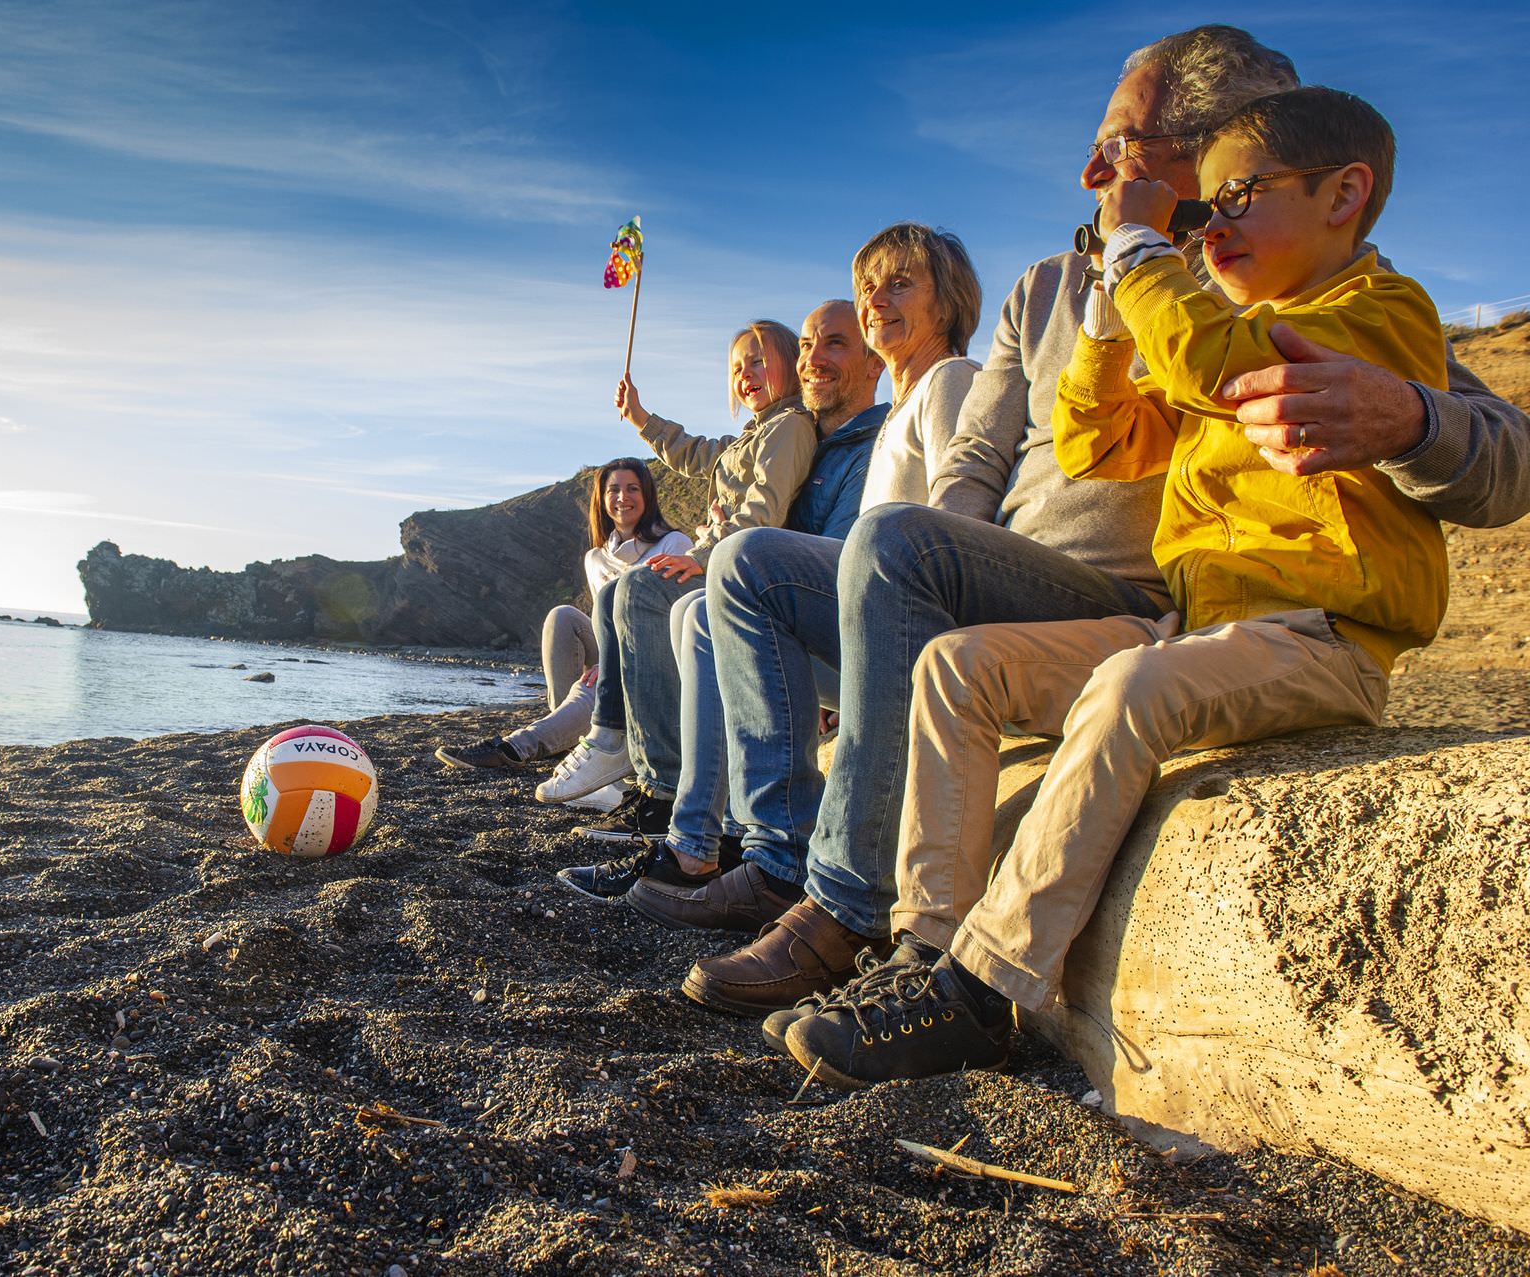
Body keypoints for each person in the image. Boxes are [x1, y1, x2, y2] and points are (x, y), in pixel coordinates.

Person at [665, 24, 1529, 1023]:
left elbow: (1503, 453)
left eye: (1120, 144)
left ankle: (849, 905)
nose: (1089, 171)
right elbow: (995, 458)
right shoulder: (1051, 286)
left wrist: (1410, 416)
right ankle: (817, 880)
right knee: (765, 564)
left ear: (1219, 148)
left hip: (1153, 601)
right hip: (1005, 578)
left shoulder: (1305, 287)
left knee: (896, 547)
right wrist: (944, 577)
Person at [779, 85, 1448, 1086]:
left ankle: (984, 989)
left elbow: (1215, 364)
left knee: (1130, 689)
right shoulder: (1227, 324)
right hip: (1202, 627)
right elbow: (1099, 438)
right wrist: (1104, 298)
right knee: (958, 667)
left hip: (1324, 636)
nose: (1210, 228)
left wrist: (1139, 250)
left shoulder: (1377, 312)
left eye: (1238, 199)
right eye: (1203, 208)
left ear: (1344, 194)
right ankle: (926, 948)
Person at [555, 224, 983, 901]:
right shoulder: (836, 435)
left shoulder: (937, 392)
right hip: (848, 629)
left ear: (871, 358)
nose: (815, 357)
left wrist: (721, 551)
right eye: (809, 343)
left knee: (710, 593)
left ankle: (721, 841)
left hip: (895, 642)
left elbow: (953, 535)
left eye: (834, 342)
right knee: (702, 606)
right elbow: (707, 458)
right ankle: (704, 834)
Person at [534, 306, 874, 833]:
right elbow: (691, 453)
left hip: (735, 567)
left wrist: (698, 557)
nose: (746, 373)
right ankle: (613, 740)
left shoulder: (789, 428)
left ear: (792, 365)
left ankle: (655, 778)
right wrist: (643, 420)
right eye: (739, 366)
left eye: (760, 360)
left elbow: (762, 511)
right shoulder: (750, 438)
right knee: (613, 596)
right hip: (724, 558)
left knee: (640, 593)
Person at [434, 458, 689, 784]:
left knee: (598, 683)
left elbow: (672, 619)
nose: (622, 497)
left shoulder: (674, 544)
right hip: (612, 645)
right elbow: (603, 621)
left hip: (654, 654)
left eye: (632, 489)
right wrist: (608, 658)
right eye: (614, 490)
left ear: (648, 496)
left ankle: (512, 749)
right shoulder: (595, 558)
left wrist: (617, 660)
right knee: (562, 616)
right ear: (602, 499)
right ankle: (561, 733)